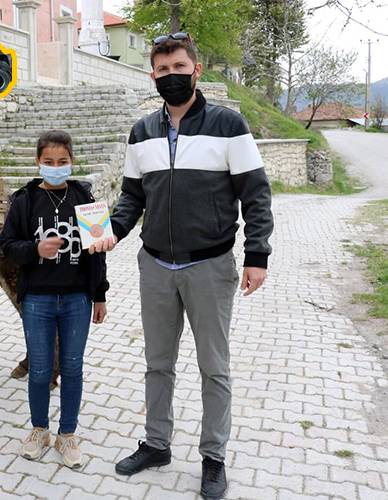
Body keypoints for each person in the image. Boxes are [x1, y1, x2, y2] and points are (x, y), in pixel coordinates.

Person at [90, 33, 273, 498]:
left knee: (214, 367)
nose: (171, 76)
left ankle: (213, 458)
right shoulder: (142, 132)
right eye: (163, 70)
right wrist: (112, 230)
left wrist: (258, 255)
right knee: (158, 364)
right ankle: (156, 444)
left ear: (196, 70)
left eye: (179, 68)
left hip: (209, 266)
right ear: (152, 75)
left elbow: (255, 194)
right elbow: (132, 196)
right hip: (154, 267)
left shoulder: (228, 125)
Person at [0, 130, 109, 469]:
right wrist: (35, 249)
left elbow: (98, 252)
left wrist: (100, 295)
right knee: (41, 370)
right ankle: (39, 430)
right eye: (49, 162)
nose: (56, 167)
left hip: (77, 299)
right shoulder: (25, 200)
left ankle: (68, 435)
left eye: (62, 162)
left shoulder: (85, 198)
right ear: (38, 162)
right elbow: (7, 247)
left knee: (73, 368)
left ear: (71, 162)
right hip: (38, 300)